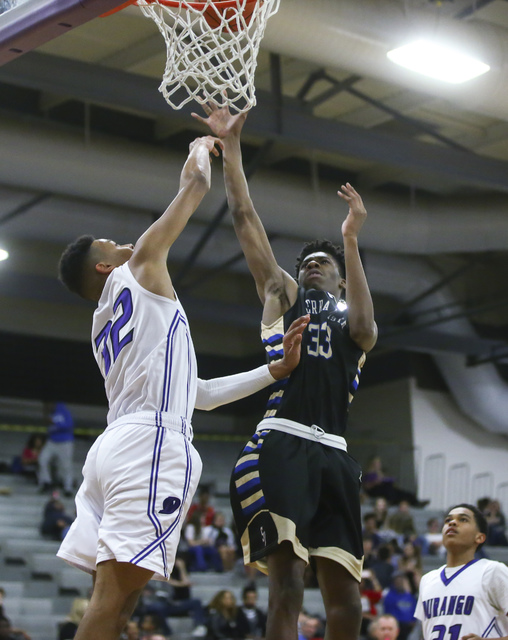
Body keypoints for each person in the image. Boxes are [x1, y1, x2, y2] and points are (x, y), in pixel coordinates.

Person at [55, 134, 309, 640]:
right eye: (110, 244)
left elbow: (202, 394)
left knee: (122, 598)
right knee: (112, 598)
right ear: (106, 266)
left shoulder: (103, 322)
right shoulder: (141, 267)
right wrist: (200, 146)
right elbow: (195, 183)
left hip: (116, 445)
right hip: (149, 444)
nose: (121, 241)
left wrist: (272, 372)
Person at [193, 102, 378, 640]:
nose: (309, 265)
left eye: (322, 264)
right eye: (305, 263)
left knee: (347, 599)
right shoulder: (285, 297)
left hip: (336, 456)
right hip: (283, 442)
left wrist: (350, 237)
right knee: (288, 587)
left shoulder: (352, 322)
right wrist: (231, 149)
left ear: (342, 280)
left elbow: (366, 328)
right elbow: (245, 220)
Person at [415, 503, 508, 640]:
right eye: (448, 520)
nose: (452, 523)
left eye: (463, 519)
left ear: (479, 537)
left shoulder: (492, 571)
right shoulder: (427, 580)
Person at [38, 402, 75, 496]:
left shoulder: (63, 410)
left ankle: (68, 488)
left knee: (66, 465)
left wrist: (54, 422)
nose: (48, 406)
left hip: (65, 442)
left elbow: (69, 424)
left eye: (49, 404)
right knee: (42, 459)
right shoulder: (49, 413)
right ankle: (46, 482)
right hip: (52, 441)